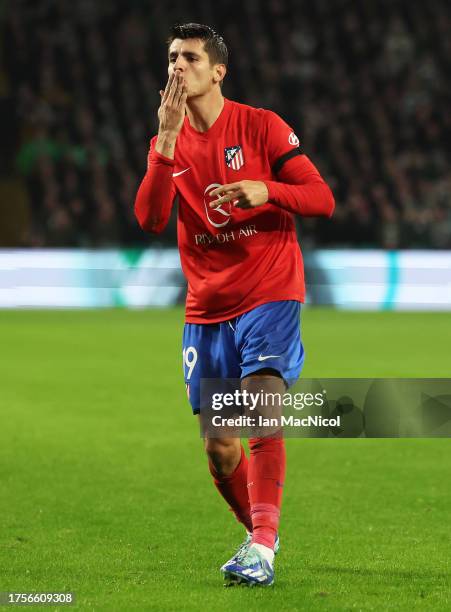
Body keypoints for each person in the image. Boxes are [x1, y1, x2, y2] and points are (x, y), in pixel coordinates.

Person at [134, 22, 334, 587]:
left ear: (218, 70)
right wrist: (165, 143)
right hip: (206, 306)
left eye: (190, 58)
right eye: (172, 57)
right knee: (221, 447)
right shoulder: (165, 144)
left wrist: (267, 190)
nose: (177, 67)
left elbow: (321, 198)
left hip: (269, 288)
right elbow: (149, 220)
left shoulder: (261, 126)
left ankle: (263, 549)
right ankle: (259, 537)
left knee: (260, 407)